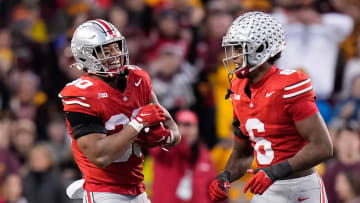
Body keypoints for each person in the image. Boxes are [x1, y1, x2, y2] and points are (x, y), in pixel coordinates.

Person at [208, 11, 333, 202]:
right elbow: (243, 154)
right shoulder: (238, 89)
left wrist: (274, 171)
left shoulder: (289, 84)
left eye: (240, 49)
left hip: (302, 189)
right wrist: (225, 176)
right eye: (233, 49)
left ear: (262, 49)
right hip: (268, 188)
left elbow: (322, 146)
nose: (234, 56)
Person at [58, 19, 181, 203]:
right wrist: (137, 124)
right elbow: (100, 156)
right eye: (106, 51)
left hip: (137, 188)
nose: (115, 54)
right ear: (86, 55)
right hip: (104, 191)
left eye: (116, 47)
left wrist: (165, 137)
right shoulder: (80, 94)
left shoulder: (137, 78)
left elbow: (172, 129)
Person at [148, 110, 217, 203]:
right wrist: (174, 136)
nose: (186, 130)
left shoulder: (205, 155)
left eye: (189, 125)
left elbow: (213, 191)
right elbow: (155, 149)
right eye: (182, 125)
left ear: (197, 128)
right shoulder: (167, 150)